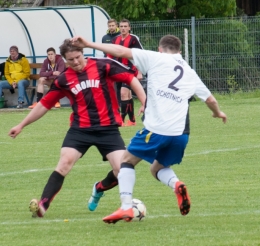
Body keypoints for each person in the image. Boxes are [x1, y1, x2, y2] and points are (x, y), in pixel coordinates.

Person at [70, 35, 227, 223]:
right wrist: (218, 113)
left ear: (160, 49)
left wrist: (88, 44)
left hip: (157, 128)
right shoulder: (189, 71)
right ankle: (177, 184)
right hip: (180, 134)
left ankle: (126, 207)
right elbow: (211, 100)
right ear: (180, 52)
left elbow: (120, 51)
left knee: (126, 161)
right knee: (157, 168)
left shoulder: (155, 58)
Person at [8, 38, 146, 218]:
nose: (75, 62)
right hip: (80, 129)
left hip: (108, 129)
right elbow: (44, 104)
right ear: (64, 60)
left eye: (78, 57)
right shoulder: (64, 79)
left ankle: (99, 188)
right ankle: (42, 205)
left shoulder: (102, 65)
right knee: (65, 162)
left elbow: (131, 79)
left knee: (121, 170)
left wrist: (145, 102)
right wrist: (21, 125)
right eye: (70, 60)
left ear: (83, 54)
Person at [107, 19, 143, 126]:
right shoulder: (115, 40)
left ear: (129, 28)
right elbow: (109, 55)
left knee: (123, 93)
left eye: (125, 26)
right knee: (127, 95)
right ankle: (132, 120)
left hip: (130, 70)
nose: (123, 28)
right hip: (118, 70)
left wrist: (140, 72)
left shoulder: (133, 39)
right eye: (121, 26)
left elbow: (140, 55)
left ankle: (121, 120)